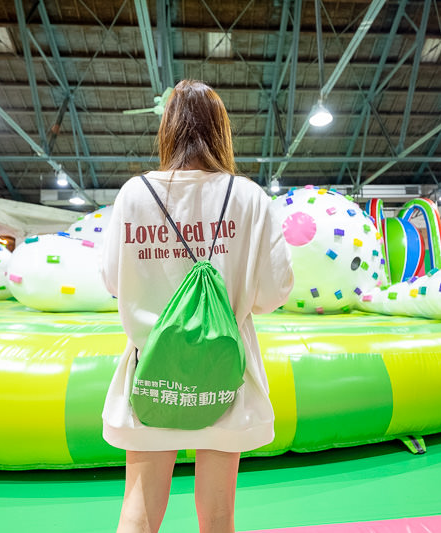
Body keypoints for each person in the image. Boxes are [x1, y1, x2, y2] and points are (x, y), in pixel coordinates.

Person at [102, 80, 294, 533]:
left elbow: (112, 280)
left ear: (168, 129)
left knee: (140, 510)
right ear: (221, 131)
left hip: (152, 368)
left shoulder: (134, 194)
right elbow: (275, 289)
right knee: (219, 516)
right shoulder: (248, 197)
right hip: (225, 371)